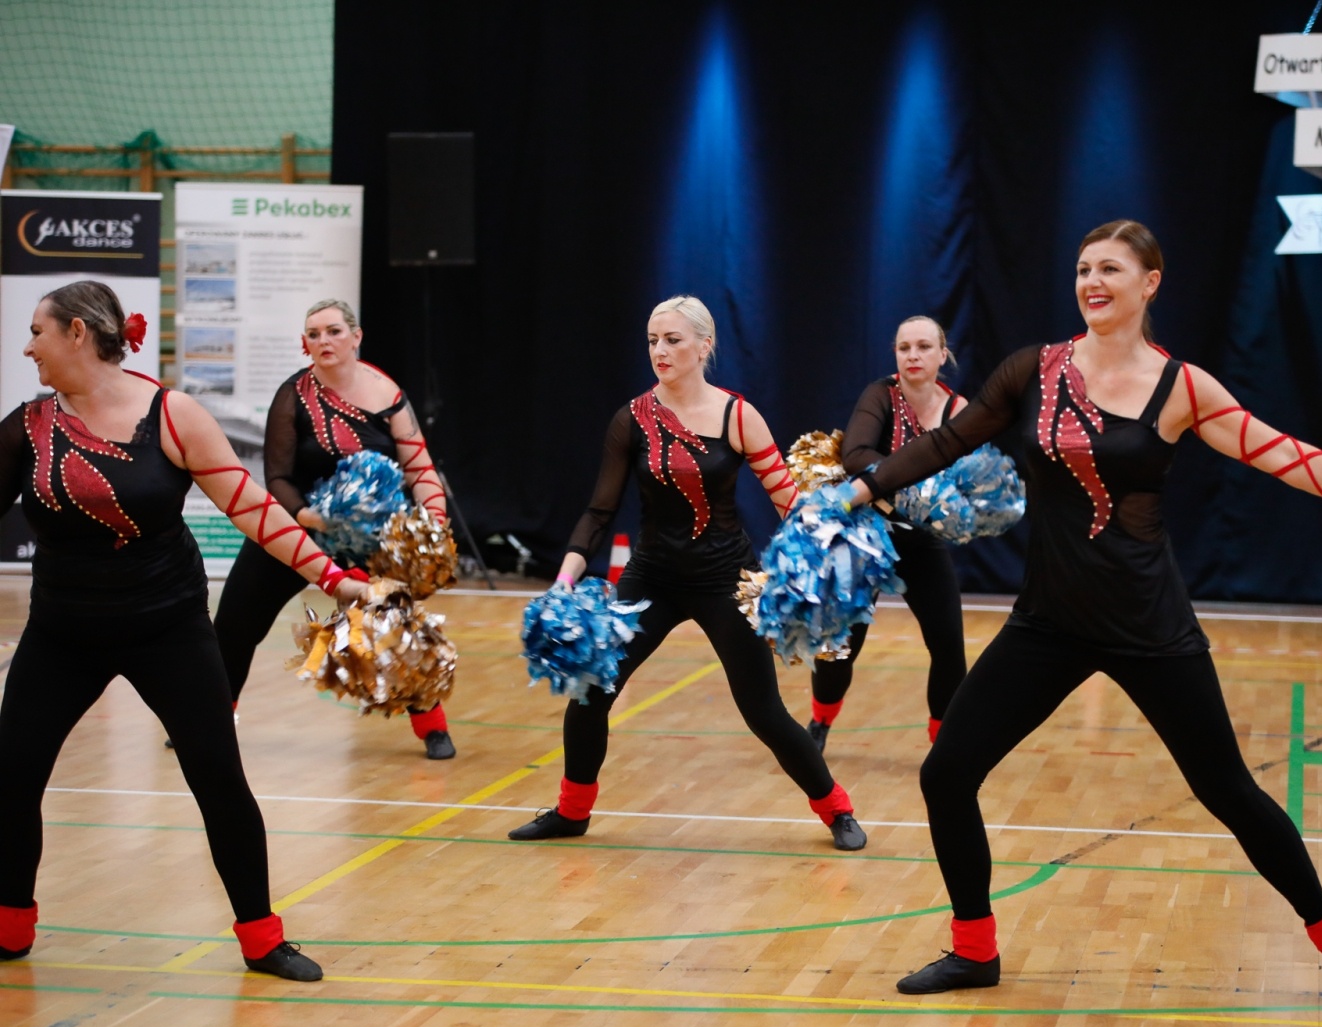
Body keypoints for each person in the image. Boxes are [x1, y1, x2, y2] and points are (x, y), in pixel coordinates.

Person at [843, 221, 1322, 1008]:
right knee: (947, 774)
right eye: (1083, 268)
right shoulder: (1033, 370)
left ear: (1151, 282)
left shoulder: (1181, 386)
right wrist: (860, 487)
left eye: (1110, 268)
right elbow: (946, 444)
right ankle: (975, 949)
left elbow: (1277, 451)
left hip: (1149, 624)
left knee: (1229, 792)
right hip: (1047, 621)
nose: (1092, 281)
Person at [0, 281, 369, 979]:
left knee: (218, 779)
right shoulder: (27, 426)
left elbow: (255, 510)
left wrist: (336, 577)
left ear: (78, 333)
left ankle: (263, 938)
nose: (28, 347)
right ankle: (10, 923)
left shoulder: (172, 414)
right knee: (13, 777)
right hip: (61, 632)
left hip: (166, 628)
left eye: (38, 332)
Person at [506, 295, 868, 851]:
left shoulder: (737, 415)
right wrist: (566, 575)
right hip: (652, 577)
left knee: (763, 712)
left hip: (726, 579)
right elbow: (600, 510)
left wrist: (826, 554)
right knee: (590, 691)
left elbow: (787, 502)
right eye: (652, 340)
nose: (660, 350)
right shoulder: (631, 418)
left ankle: (837, 809)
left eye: (673, 340)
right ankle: (572, 812)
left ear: (705, 345)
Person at [209, 299, 456, 759]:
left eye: (333, 331)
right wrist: (313, 518)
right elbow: (276, 476)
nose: (323, 341)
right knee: (234, 623)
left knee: (397, 626)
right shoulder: (293, 395)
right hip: (297, 529)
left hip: (367, 541)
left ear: (356, 336)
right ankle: (211, 719)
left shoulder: (387, 393)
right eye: (313, 334)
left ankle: (433, 727)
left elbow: (419, 466)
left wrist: (433, 524)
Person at [807, 316, 969, 751]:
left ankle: (944, 744)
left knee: (950, 648)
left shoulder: (960, 411)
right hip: (866, 536)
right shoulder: (881, 394)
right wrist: (920, 485)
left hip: (921, 541)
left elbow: (964, 482)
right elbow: (856, 455)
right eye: (904, 348)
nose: (912, 356)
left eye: (922, 347)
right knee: (839, 648)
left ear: (942, 354)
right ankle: (820, 721)